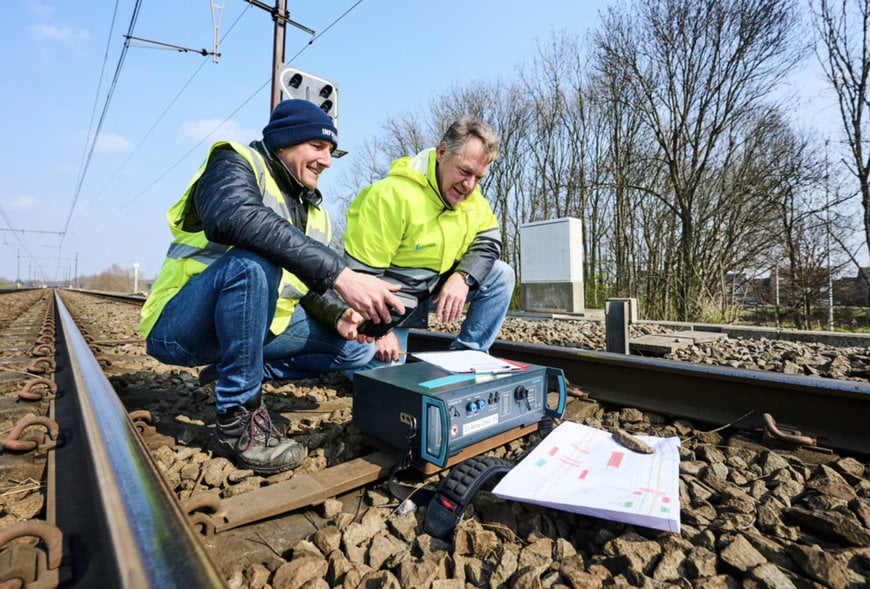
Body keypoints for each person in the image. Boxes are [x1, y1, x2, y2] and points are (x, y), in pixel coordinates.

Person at [139, 99, 404, 474]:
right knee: (253, 261)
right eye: (317, 147)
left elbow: (306, 285)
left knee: (355, 350)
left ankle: (235, 368)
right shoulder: (234, 162)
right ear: (283, 143)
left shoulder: (315, 211)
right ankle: (238, 416)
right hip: (181, 327)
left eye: (331, 151)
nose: (327, 161)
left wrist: (340, 313)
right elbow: (233, 216)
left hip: (251, 325)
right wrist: (342, 276)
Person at [342, 115, 515, 368]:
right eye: (465, 171)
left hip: (432, 287)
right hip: (391, 299)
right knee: (385, 373)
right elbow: (362, 279)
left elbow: (489, 243)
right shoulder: (389, 196)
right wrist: (381, 332)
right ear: (442, 152)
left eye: (479, 178)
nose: (469, 186)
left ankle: (468, 356)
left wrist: (464, 277)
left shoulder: (474, 199)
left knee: (501, 275)